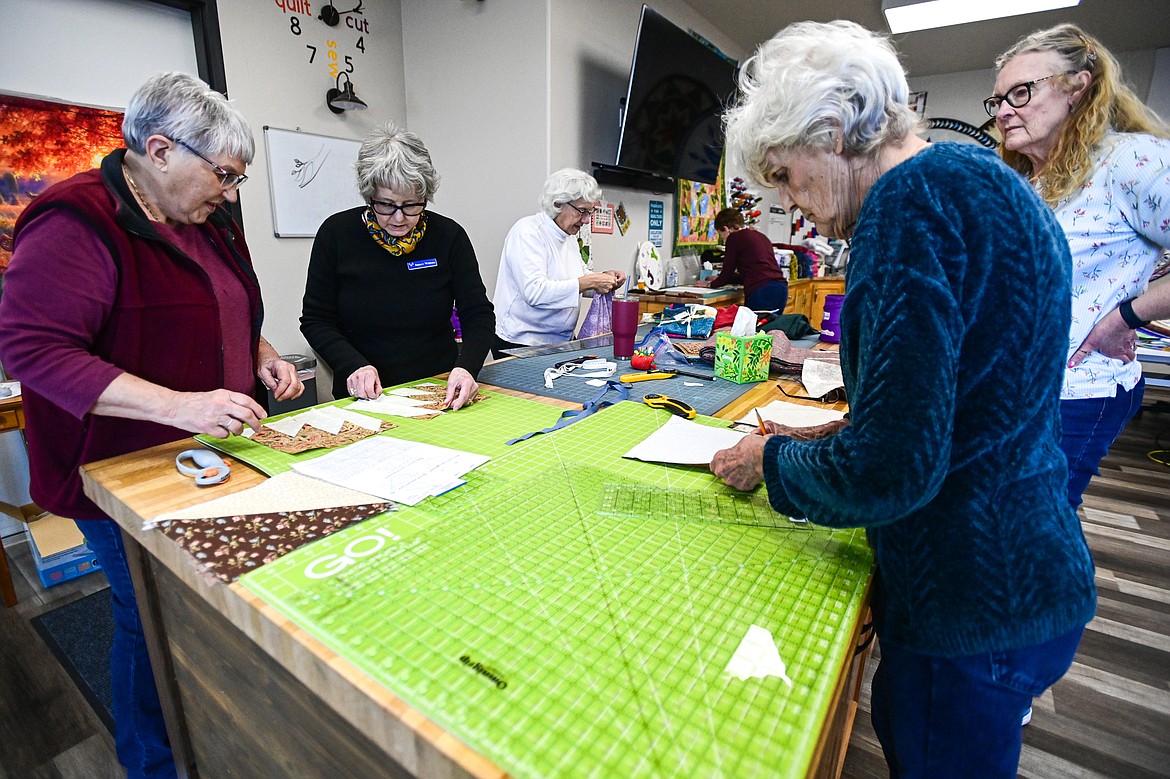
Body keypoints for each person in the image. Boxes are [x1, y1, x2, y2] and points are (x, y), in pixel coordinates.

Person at [709, 21, 1095, 777]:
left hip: (969, 600)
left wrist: (774, 458)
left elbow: (893, 469)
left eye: (786, 176)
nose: (793, 206)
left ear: (829, 131)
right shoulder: (981, 179)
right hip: (1032, 567)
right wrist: (828, 438)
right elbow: (966, 405)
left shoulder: (907, 206)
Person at [0, 71, 303, 779]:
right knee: (148, 610)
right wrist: (181, 405)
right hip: (116, 467)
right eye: (223, 174)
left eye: (238, 178)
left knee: (213, 596)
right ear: (160, 150)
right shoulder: (75, 218)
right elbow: (31, 351)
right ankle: (154, 761)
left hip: (211, 451)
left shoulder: (213, 218)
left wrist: (261, 352)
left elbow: (231, 305)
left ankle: (214, 718)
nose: (230, 191)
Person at [989, 23, 1170, 508]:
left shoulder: (1129, 161)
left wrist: (1126, 317)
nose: (1004, 111)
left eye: (1021, 92)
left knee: (1032, 527)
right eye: (998, 100)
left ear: (1078, 87)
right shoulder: (1029, 182)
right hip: (1012, 389)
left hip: (1075, 392)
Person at [300, 124, 494, 407]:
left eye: (412, 205)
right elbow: (316, 321)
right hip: (366, 395)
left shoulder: (449, 237)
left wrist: (466, 367)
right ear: (369, 197)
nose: (399, 218)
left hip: (436, 389)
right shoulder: (336, 234)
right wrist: (354, 365)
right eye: (387, 205)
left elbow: (478, 314)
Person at [491, 168, 627, 356]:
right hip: (521, 342)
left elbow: (576, 278)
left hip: (560, 341)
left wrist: (602, 279)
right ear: (558, 204)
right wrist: (591, 282)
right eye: (582, 211)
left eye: (591, 212)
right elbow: (535, 292)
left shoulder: (568, 235)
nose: (587, 220)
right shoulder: (528, 232)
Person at [693, 207, 788, 311]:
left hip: (762, 291)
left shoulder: (734, 238)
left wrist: (710, 284)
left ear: (726, 228)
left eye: (721, 235)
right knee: (771, 326)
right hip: (781, 289)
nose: (724, 240)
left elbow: (727, 272)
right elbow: (748, 274)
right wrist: (719, 278)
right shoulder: (761, 236)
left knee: (754, 326)